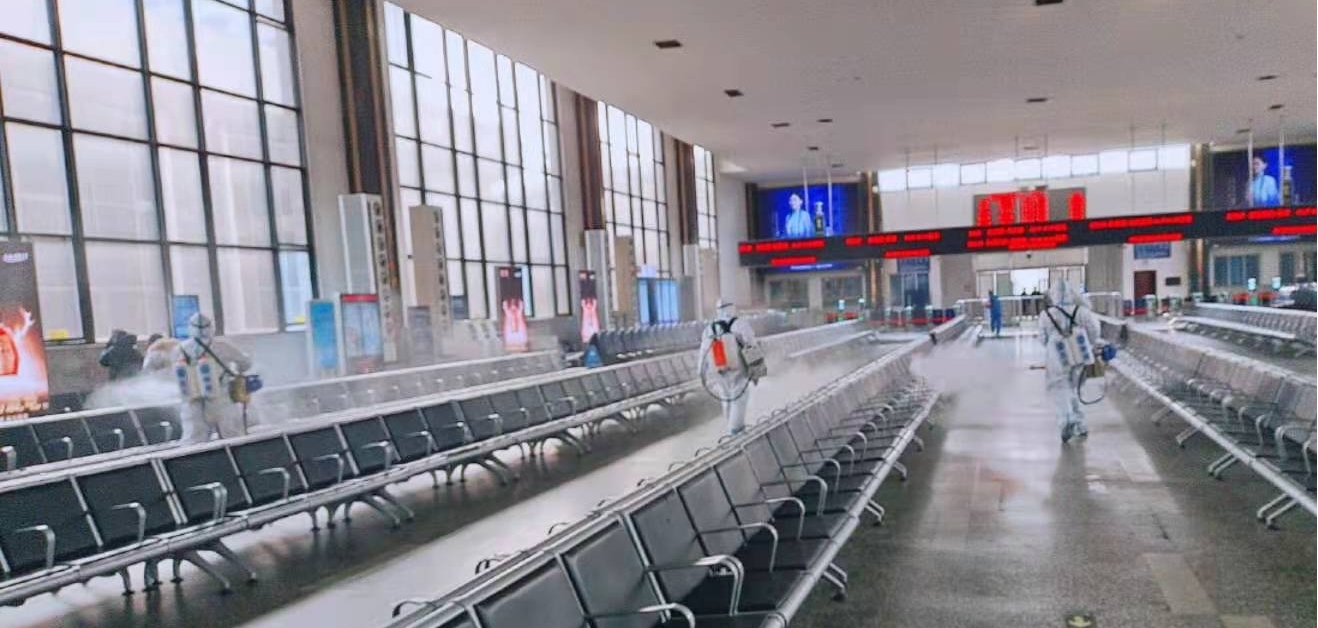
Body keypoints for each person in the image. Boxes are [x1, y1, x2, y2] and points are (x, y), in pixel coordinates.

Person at [1038, 279, 1103, 443]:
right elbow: (1094, 331)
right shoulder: (1082, 311)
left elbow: (1042, 338)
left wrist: (1053, 343)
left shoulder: (1046, 315)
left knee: (1060, 388)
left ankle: (1067, 419)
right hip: (1079, 351)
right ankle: (1080, 424)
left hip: (1056, 354)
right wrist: (1088, 343)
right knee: (1075, 388)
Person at [173, 313, 254, 444]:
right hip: (221, 398)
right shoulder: (222, 346)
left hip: (192, 400)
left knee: (194, 439)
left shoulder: (180, 349)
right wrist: (237, 371)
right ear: (211, 327)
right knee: (231, 435)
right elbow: (245, 363)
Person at [698, 299, 762, 435]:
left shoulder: (710, 328)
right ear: (732, 308)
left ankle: (730, 427)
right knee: (739, 400)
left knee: (726, 399)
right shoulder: (741, 324)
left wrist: (701, 374)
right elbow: (751, 345)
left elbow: (703, 353)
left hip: (719, 371)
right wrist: (757, 371)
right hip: (739, 370)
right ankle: (735, 431)